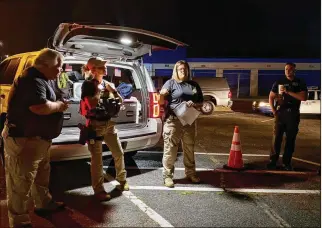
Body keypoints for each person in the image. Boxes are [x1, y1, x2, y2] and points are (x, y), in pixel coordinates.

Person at [2, 48, 69, 228]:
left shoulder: (45, 78)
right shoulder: (30, 80)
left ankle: (43, 204)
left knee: (40, 176)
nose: (60, 70)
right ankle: (19, 221)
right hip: (24, 139)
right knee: (20, 183)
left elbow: (58, 90)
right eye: (58, 66)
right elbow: (39, 107)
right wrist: (60, 106)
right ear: (44, 65)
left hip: (38, 140)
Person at [80, 57, 129, 201]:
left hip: (109, 124)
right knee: (97, 160)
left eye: (105, 66)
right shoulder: (88, 85)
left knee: (119, 152)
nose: (105, 68)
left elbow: (120, 101)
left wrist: (114, 92)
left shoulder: (108, 83)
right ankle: (99, 190)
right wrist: (100, 90)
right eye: (101, 67)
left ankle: (122, 180)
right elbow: (92, 105)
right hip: (95, 125)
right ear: (93, 70)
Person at [159, 60, 204, 188]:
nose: (183, 71)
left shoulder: (194, 85)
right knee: (170, 149)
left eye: (185, 69)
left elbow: (201, 102)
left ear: (188, 70)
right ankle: (167, 176)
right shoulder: (170, 83)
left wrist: (194, 104)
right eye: (180, 69)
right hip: (173, 121)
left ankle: (190, 173)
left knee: (189, 148)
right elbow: (161, 100)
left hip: (189, 121)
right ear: (176, 71)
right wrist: (161, 95)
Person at [267, 62, 308, 171]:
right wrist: (274, 111)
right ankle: (272, 162)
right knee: (276, 138)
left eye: (290, 69)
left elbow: (303, 97)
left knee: (290, 140)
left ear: (294, 70)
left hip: (293, 114)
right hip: (281, 113)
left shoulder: (299, 82)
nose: (288, 71)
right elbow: (271, 96)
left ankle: (287, 163)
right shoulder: (279, 82)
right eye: (286, 69)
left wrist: (288, 92)